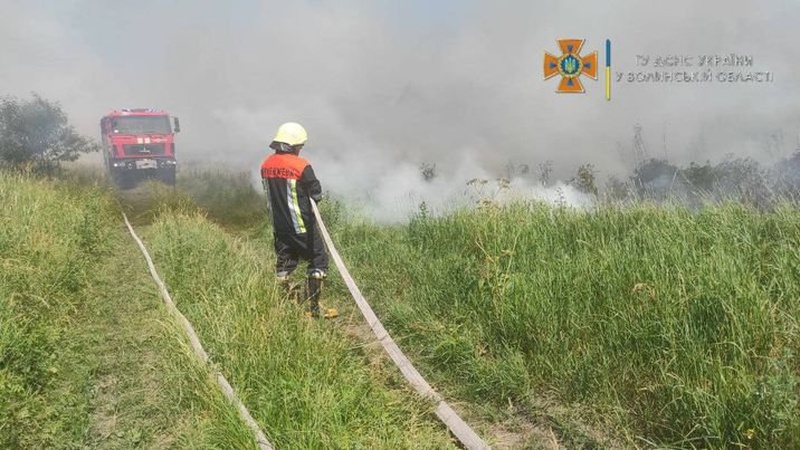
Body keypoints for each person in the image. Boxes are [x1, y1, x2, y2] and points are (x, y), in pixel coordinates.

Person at [260, 122, 332, 318]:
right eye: (300, 146)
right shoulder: (301, 165)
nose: (300, 149)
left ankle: (286, 302)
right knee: (318, 260)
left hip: (279, 227)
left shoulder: (266, 165)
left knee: (285, 263)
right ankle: (313, 308)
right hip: (301, 226)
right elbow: (316, 193)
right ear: (292, 146)